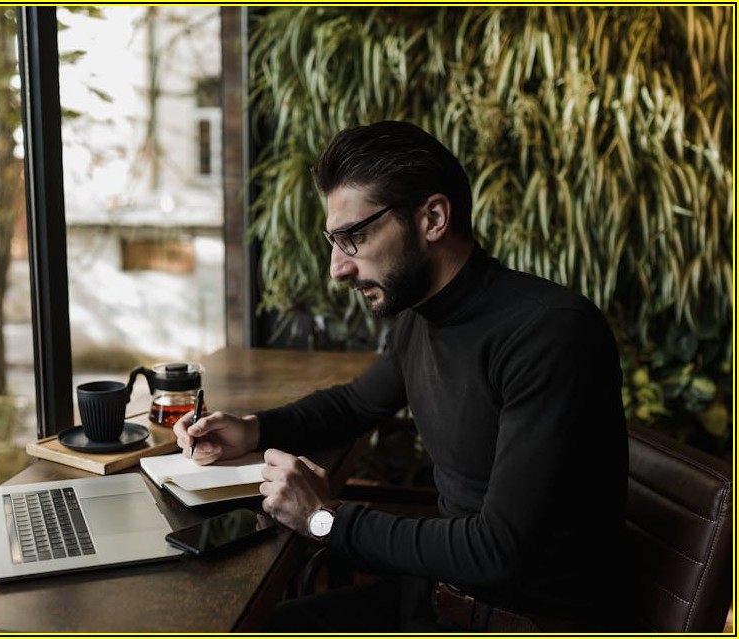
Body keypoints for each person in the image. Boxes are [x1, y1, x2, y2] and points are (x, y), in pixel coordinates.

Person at [173, 121, 629, 632]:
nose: (337, 270)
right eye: (333, 241)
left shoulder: (549, 334)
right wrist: (250, 430)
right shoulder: (422, 314)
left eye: (354, 237)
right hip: (435, 595)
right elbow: (354, 404)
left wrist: (324, 518)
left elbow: (498, 551)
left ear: (433, 217)